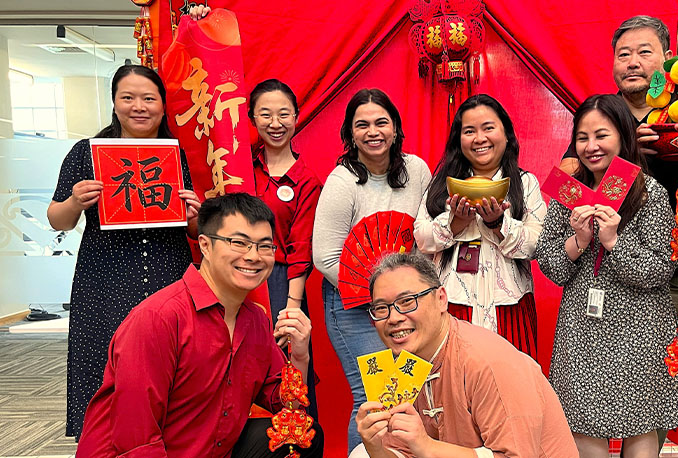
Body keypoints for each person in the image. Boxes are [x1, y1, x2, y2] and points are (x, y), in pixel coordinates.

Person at [76, 193, 324, 458]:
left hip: (209, 448)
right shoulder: (158, 318)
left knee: (303, 434)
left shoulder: (254, 320)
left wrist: (300, 356)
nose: (254, 256)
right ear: (205, 245)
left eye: (264, 246)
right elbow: (137, 440)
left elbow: (288, 407)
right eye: (239, 243)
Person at [47, 64, 201, 439]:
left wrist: (195, 214)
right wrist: (74, 202)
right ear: (114, 103)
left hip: (169, 275)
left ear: (163, 106)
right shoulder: (86, 153)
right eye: (127, 97)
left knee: (172, 371)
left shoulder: (175, 154)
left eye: (149, 98)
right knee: (103, 371)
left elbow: (195, 230)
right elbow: (57, 220)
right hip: (104, 280)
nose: (139, 106)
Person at [535, 94, 678, 457]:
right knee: (581, 420)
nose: (591, 146)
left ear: (623, 136)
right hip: (582, 328)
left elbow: (660, 270)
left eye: (602, 135)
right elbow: (549, 264)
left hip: (640, 327)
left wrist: (614, 240)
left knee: (640, 422)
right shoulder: (568, 193)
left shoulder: (651, 195)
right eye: (582, 137)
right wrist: (579, 240)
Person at [353, 252, 578, 457]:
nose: (393, 318)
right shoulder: (405, 364)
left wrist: (427, 447)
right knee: (362, 454)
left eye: (407, 302)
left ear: (441, 299)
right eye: (382, 308)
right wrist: (376, 447)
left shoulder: (487, 361)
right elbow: (405, 450)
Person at [312, 88, 432, 450]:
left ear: (395, 128)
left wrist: (408, 298)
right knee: (374, 396)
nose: (373, 131)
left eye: (381, 122)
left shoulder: (417, 170)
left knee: (408, 394)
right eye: (361, 125)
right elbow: (325, 257)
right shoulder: (342, 182)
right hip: (352, 305)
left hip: (404, 303)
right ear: (350, 135)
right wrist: (377, 299)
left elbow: (424, 237)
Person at [414, 94, 546, 360]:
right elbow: (421, 238)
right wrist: (453, 224)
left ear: (506, 135)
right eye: (469, 131)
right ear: (458, 140)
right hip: (452, 305)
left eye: (488, 128)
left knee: (511, 389)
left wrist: (498, 225)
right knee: (453, 388)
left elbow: (537, 243)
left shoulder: (525, 184)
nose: (479, 138)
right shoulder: (442, 185)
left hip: (509, 306)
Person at [558, 15, 678, 202]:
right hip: (611, 228)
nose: (632, 63)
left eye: (644, 52)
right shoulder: (600, 114)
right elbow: (564, 191)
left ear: (667, 59)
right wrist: (627, 152)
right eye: (624, 55)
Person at [248, 78, 322, 418]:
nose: (275, 123)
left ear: (296, 118)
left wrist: (291, 306)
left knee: (288, 365)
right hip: (236, 279)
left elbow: (301, 248)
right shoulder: (237, 167)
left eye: (283, 114)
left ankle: (298, 445)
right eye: (265, 114)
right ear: (251, 118)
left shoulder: (306, 179)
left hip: (280, 283)